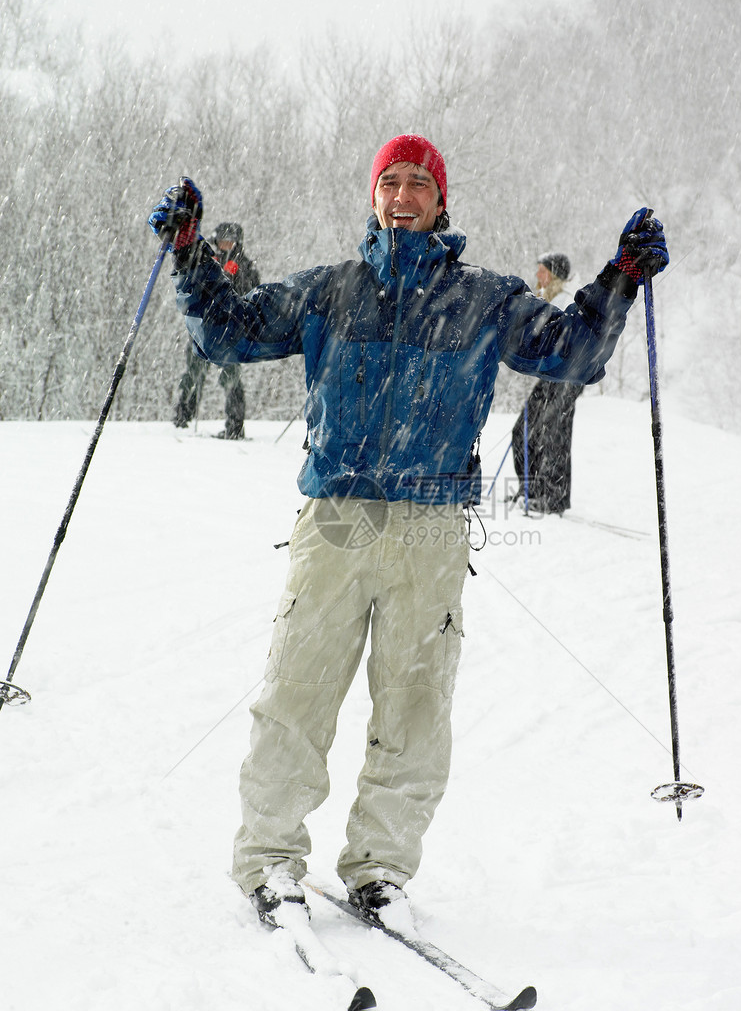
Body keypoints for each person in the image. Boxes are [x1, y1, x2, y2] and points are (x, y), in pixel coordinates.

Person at [148, 135, 669, 930]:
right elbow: (227, 332)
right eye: (389, 181)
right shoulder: (332, 291)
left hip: (432, 531)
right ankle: (270, 860)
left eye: (417, 183)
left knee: (416, 709)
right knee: (297, 694)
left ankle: (380, 870)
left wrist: (621, 279)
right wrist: (188, 253)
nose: (402, 194)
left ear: (440, 200)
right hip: (337, 523)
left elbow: (572, 353)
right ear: (373, 195)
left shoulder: (484, 299)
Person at [511, 252, 584, 514]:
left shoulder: (565, 301)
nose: (537, 275)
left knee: (553, 434)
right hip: (551, 375)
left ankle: (553, 497)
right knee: (523, 430)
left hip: (568, 376)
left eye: (542, 270)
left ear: (553, 274)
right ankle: (530, 489)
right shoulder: (548, 299)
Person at [173, 221, 260, 439]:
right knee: (193, 374)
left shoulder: (245, 266)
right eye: (223, 240)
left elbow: (251, 295)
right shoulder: (206, 261)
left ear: (237, 243)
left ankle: (235, 427)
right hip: (202, 328)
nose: (226, 244)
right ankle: (182, 419)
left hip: (229, 331)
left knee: (231, 379)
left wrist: (235, 279)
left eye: (230, 241)